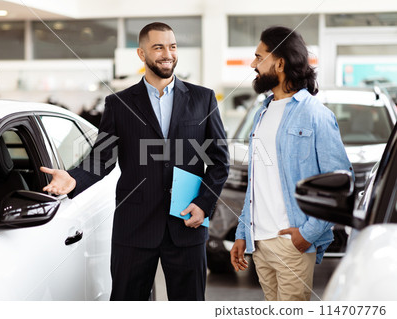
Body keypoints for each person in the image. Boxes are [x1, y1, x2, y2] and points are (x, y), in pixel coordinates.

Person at [40, 22, 229, 301]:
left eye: (173, 46)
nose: (168, 54)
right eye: (159, 47)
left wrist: (204, 204)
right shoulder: (119, 103)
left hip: (187, 222)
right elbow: (102, 158)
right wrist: (74, 179)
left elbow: (219, 161)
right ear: (142, 54)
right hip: (135, 227)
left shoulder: (203, 98)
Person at [230, 26, 353, 301]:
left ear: (280, 63)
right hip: (259, 243)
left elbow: (342, 182)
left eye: (259, 57)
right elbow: (258, 182)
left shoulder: (315, 114)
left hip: (292, 243)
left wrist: (308, 234)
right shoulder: (261, 114)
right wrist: (242, 233)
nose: (253, 65)